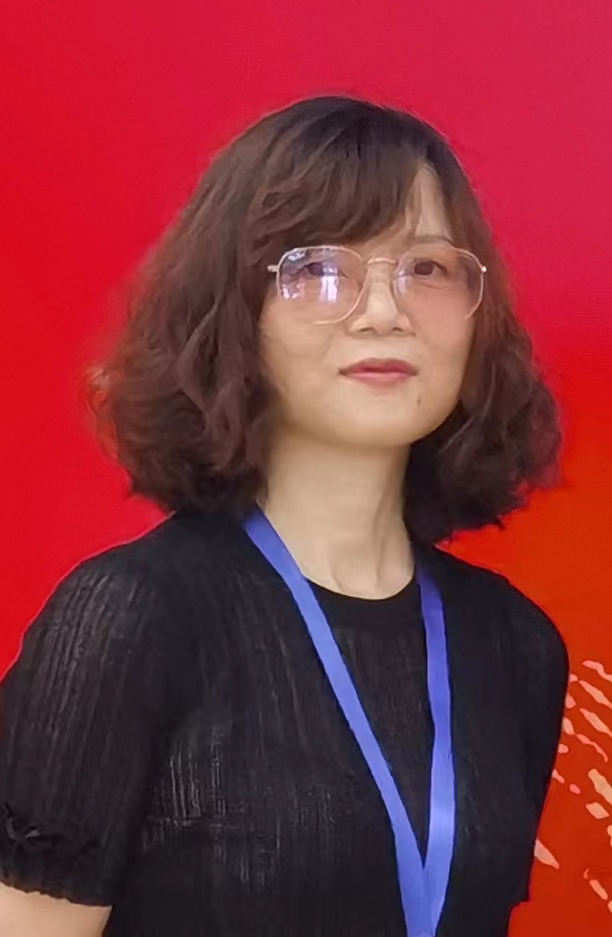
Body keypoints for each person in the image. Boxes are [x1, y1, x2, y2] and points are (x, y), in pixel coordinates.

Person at [0, 95, 569, 937]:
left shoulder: (515, 644)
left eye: (426, 268)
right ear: (237, 311)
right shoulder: (131, 618)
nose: (385, 310)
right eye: (320, 268)